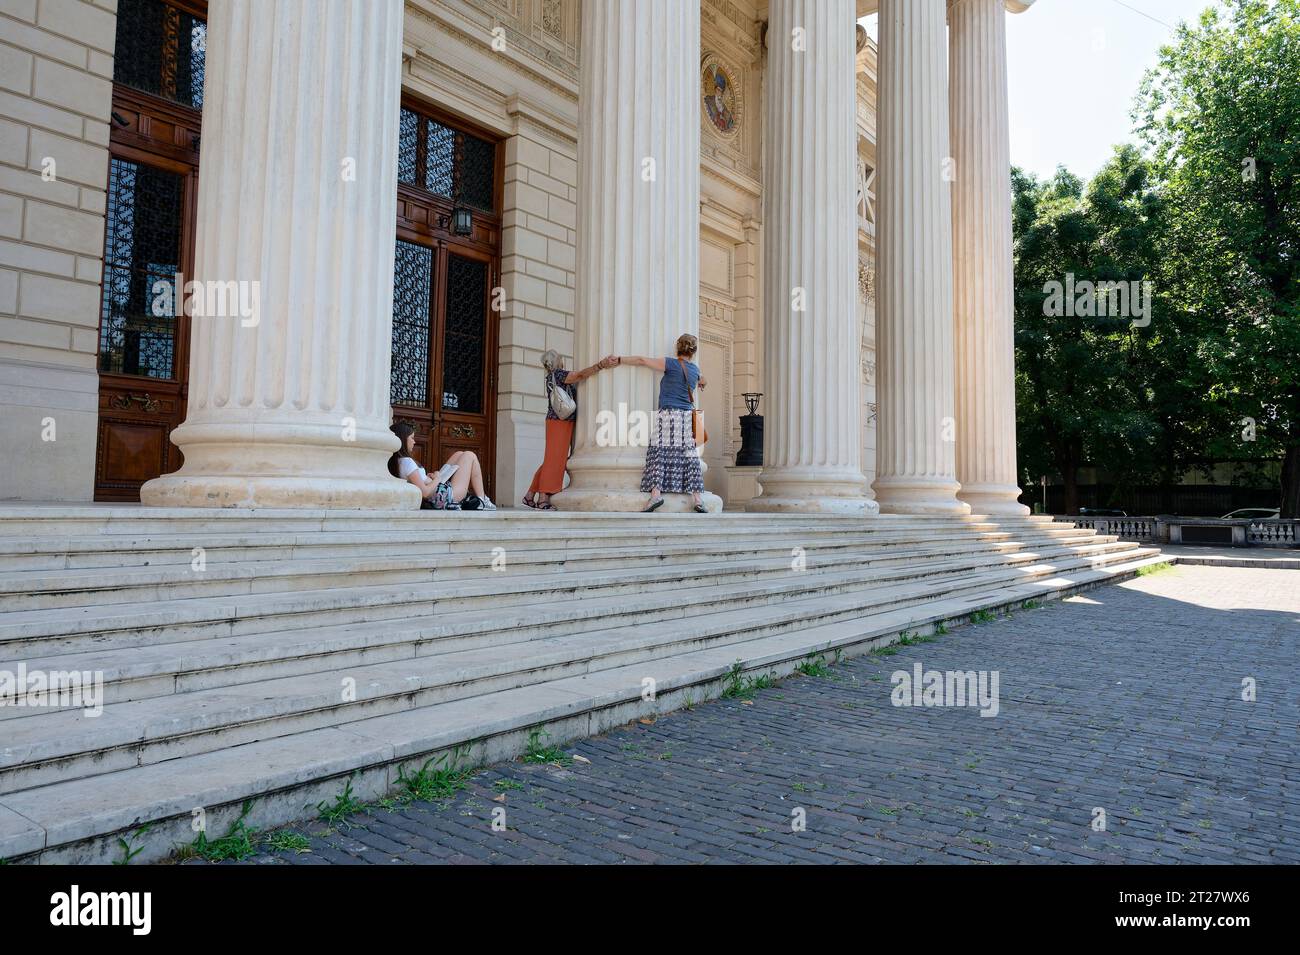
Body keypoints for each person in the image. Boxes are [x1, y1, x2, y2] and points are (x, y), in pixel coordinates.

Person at [618, 334, 708, 513]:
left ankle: (656, 495)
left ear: (677, 348)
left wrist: (620, 359)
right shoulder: (695, 370)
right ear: (693, 352)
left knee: (658, 453)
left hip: (668, 414)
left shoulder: (671, 364)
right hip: (687, 417)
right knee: (690, 457)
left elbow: (642, 360)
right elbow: (704, 380)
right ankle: (698, 499)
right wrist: (701, 384)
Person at [523, 349, 617, 510]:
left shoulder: (551, 377)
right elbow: (580, 375)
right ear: (558, 361)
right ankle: (543, 498)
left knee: (552, 459)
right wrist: (600, 365)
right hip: (559, 422)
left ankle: (530, 494)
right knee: (554, 460)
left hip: (558, 421)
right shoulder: (559, 374)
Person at [388, 421, 496, 511]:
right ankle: (482, 500)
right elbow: (425, 492)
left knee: (458, 454)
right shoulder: (407, 462)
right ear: (402, 440)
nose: (414, 442)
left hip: (439, 493)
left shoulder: (397, 461)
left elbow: (420, 485)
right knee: (470, 455)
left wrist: (429, 478)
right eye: (411, 438)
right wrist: (437, 479)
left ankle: (483, 499)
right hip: (445, 497)